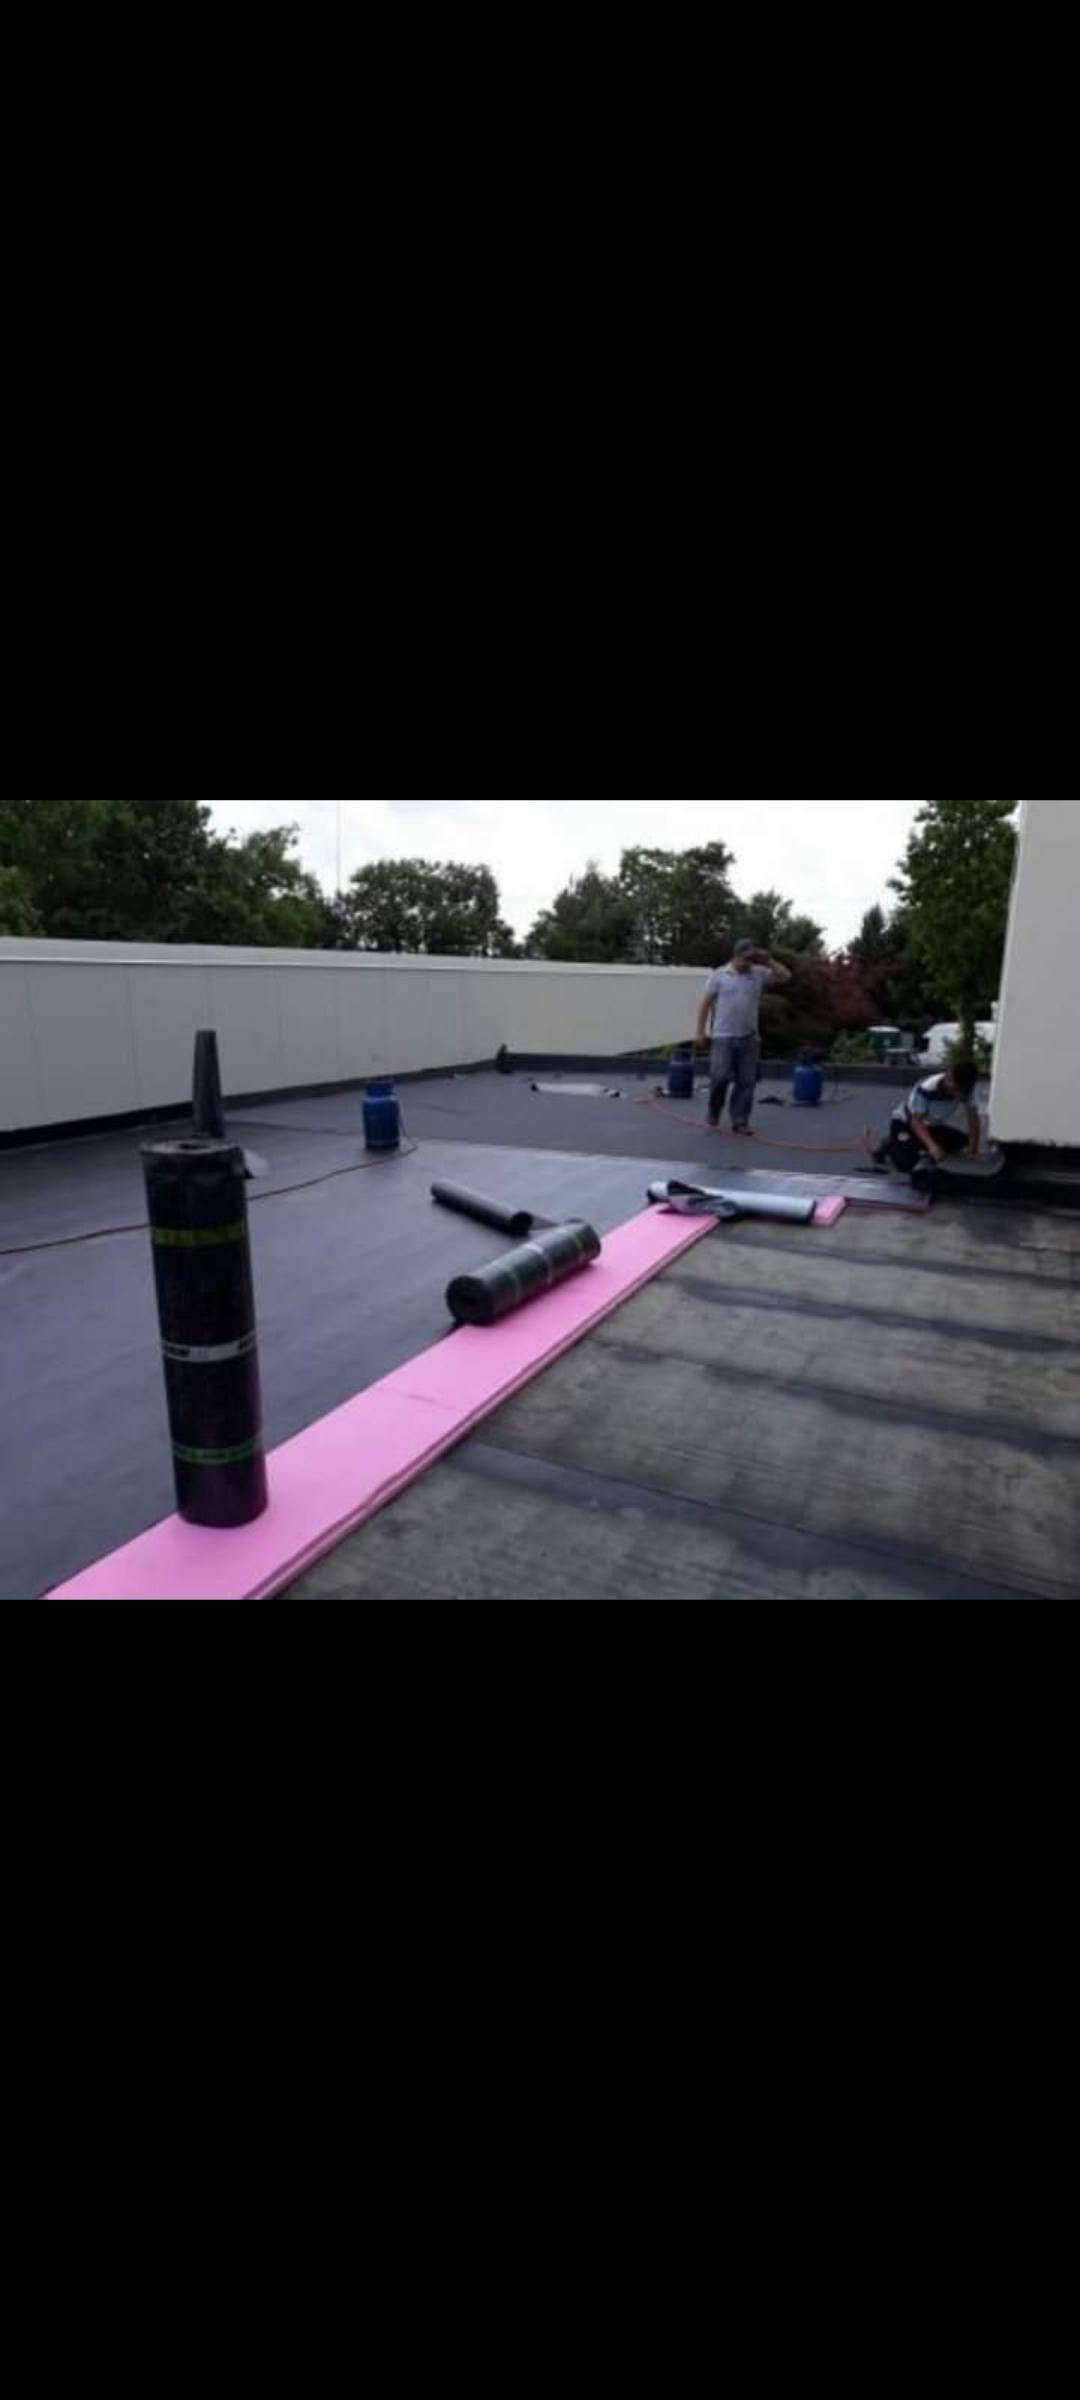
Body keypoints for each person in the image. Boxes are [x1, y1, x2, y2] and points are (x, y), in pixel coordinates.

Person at [694, 941, 792, 1134]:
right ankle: (713, 1113)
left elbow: (785, 976)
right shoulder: (719, 975)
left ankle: (740, 1120)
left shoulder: (758, 973)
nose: (749, 963)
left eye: (752, 959)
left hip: (749, 1037)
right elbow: (705, 1004)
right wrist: (700, 1032)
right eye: (746, 959)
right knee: (720, 1077)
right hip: (723, 1037)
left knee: (746, 1081)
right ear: (736, 956)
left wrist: (769, 961)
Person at [868, 1062, 982, 1181]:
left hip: (930, 1126)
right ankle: (889, 1143)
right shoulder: (926, 1087)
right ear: (949, 1078)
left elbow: (973, 1119)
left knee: (963, 1140)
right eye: (955, 1089)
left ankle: (915, 1145)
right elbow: (916, 1122)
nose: (958, 1095)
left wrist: (973, 1150)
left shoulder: (967, 1090)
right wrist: (933, 1147)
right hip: (905, 1123)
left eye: (961, 1091)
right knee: (905, 1164)